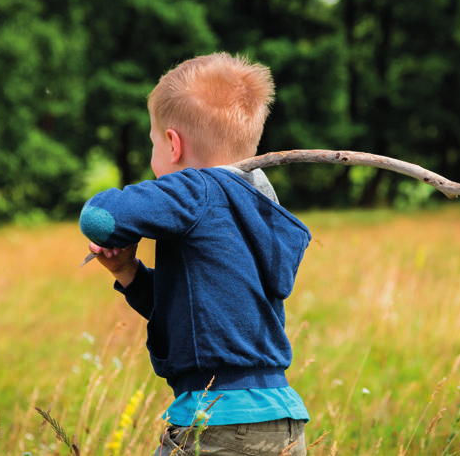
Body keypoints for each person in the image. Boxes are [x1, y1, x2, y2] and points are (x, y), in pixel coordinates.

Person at [79, 53, 310, 456]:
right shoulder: (256, 207)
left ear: (172, 144)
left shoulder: (195, 190)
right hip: (281, 420)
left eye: (152, 144)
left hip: (218, 421)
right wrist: (128, 271)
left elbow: (99, 218)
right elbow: (196, 309)